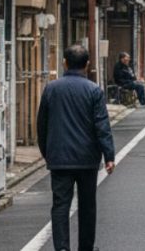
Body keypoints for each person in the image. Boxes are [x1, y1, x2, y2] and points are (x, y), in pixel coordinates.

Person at [37, 44, 116, 251]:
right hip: (87, 158)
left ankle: (62, 248)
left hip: (59, 158)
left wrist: (47, 153)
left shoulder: (51, 89)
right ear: (87, 64)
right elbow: (102, 125)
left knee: (60, 205)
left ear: (64, 62)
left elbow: (41, 125)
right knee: (87, 206)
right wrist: (109, 155)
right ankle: (85, 247)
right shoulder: (94, 90)